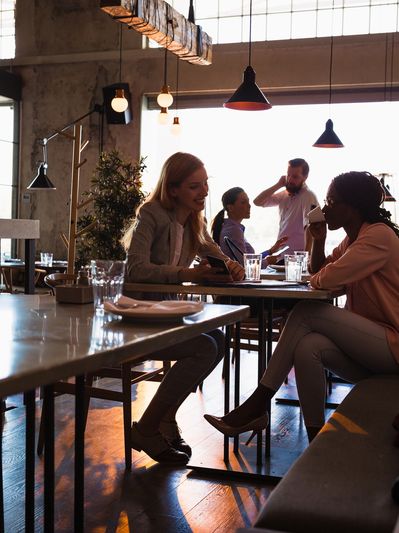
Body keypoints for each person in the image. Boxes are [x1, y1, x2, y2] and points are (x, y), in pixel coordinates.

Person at [205, 171, 399, 443]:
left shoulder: (378, 235)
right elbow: (321, 270)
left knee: (306, 312)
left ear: (352, 207)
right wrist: (318, 241)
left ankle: (258, 402)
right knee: (308, 347)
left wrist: (322, 275)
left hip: (392, 348)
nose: (323, 209)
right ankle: (315, 440)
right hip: (372, 350)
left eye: (331, 201)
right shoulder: (353, 238)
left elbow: (325, 279)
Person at [122, 152, 244, 465]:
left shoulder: (192, 220)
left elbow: (215, 253)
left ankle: (163, 418)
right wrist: (189, 274)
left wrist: (231, 266)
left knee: (217, 340)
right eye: (194, 186)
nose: (203, 191)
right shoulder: (151, 214)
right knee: (205, 346)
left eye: (205, 184)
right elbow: (135, 269)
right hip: (138, 313)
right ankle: (148, 427)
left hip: (165, 313)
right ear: (173, 189)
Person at [253, 158, 319, 255]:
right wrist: (278, 185)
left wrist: (306, 258)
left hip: (297, 258)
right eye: (288, 175)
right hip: (281, 256)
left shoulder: (309, 196)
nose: (290, 180)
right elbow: (257, 202)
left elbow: (312, 227)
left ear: (305, 177)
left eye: (295, 177)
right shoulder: (284, 195)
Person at [211, 186, 288, 267]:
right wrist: (267, 261)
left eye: (248, 202)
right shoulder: (234, 230)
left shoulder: (231, 228)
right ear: (230, 207)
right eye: (243, 202)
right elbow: (244, 264)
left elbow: (247, 259)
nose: (249, 206)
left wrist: (270, 251)